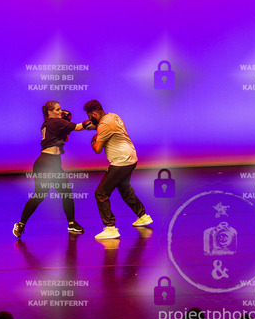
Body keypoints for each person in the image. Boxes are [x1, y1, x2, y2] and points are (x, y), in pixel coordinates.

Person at [13, 101, 93, 238]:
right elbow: (80, 127)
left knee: (62, 194)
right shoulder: (55, 122)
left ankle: (71, 224)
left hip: (51, 163)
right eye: (57, 109)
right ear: (50, 112)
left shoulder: (48, 124)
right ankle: (21, 223)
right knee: (43, 195)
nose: (60, 111)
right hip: (47, 163)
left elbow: (62, 139)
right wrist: (97, 122)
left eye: (60, 109)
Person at [83, 100, 152, 239]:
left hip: (121, 162)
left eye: (90, 115)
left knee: (101, 193)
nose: (89, 118)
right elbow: (108, 129)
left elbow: (97, 149)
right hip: (131, 158)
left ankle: (110, 228)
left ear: (94, 114)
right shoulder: (113, 116)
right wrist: (94, 128)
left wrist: (94, 140)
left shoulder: (104, 125)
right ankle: (143, 216)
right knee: (124, 189)